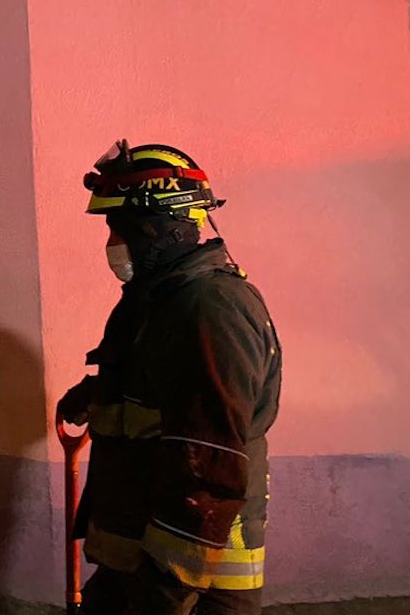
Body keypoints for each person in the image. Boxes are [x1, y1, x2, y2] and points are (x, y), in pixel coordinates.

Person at [58, 140, 282, 615]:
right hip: (136, 560)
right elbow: (163, 391)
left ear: (167, 227)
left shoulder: (209, 310)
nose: (115, 242)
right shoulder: (156, 299)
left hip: (191, 583)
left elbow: (209, 463)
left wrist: (164, 596)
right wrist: (97, 394)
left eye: (126, 227)